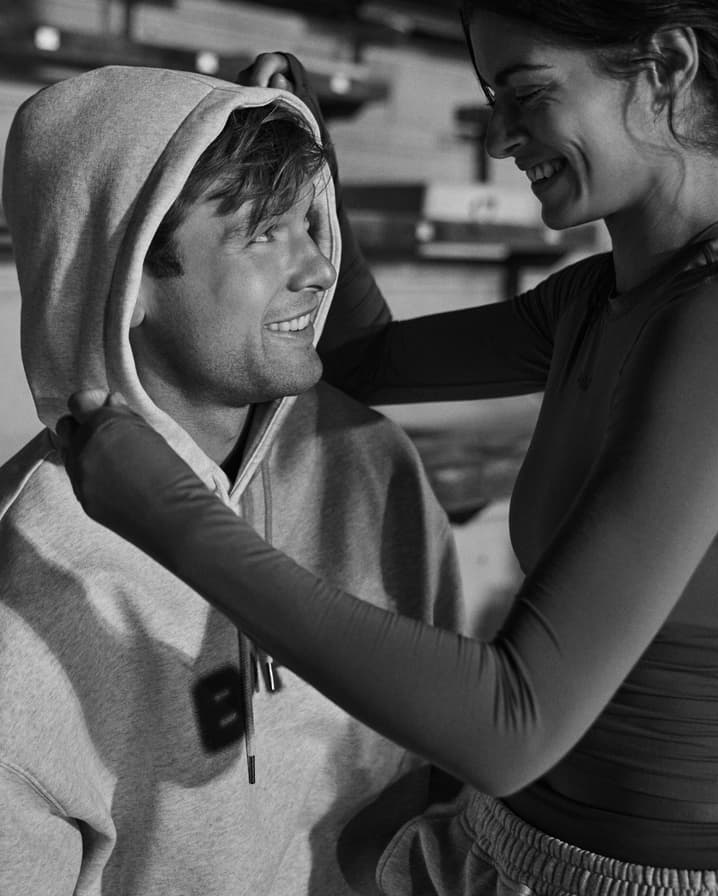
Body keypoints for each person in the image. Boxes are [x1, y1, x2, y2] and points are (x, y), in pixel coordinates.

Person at [58, 0, 718, 893]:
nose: (499, 138)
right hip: (508, 846)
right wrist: (320, 185)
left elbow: (511, 721)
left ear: (665, 63)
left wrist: (171, 517)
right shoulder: (599, 300)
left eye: (524, 93)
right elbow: (363, 361)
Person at [0, 64, 464, 895]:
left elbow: (457, 764)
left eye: (309, 224)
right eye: (261, 233)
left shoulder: (369, 462)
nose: (319, 269)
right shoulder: (22, 603)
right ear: (128, 277)